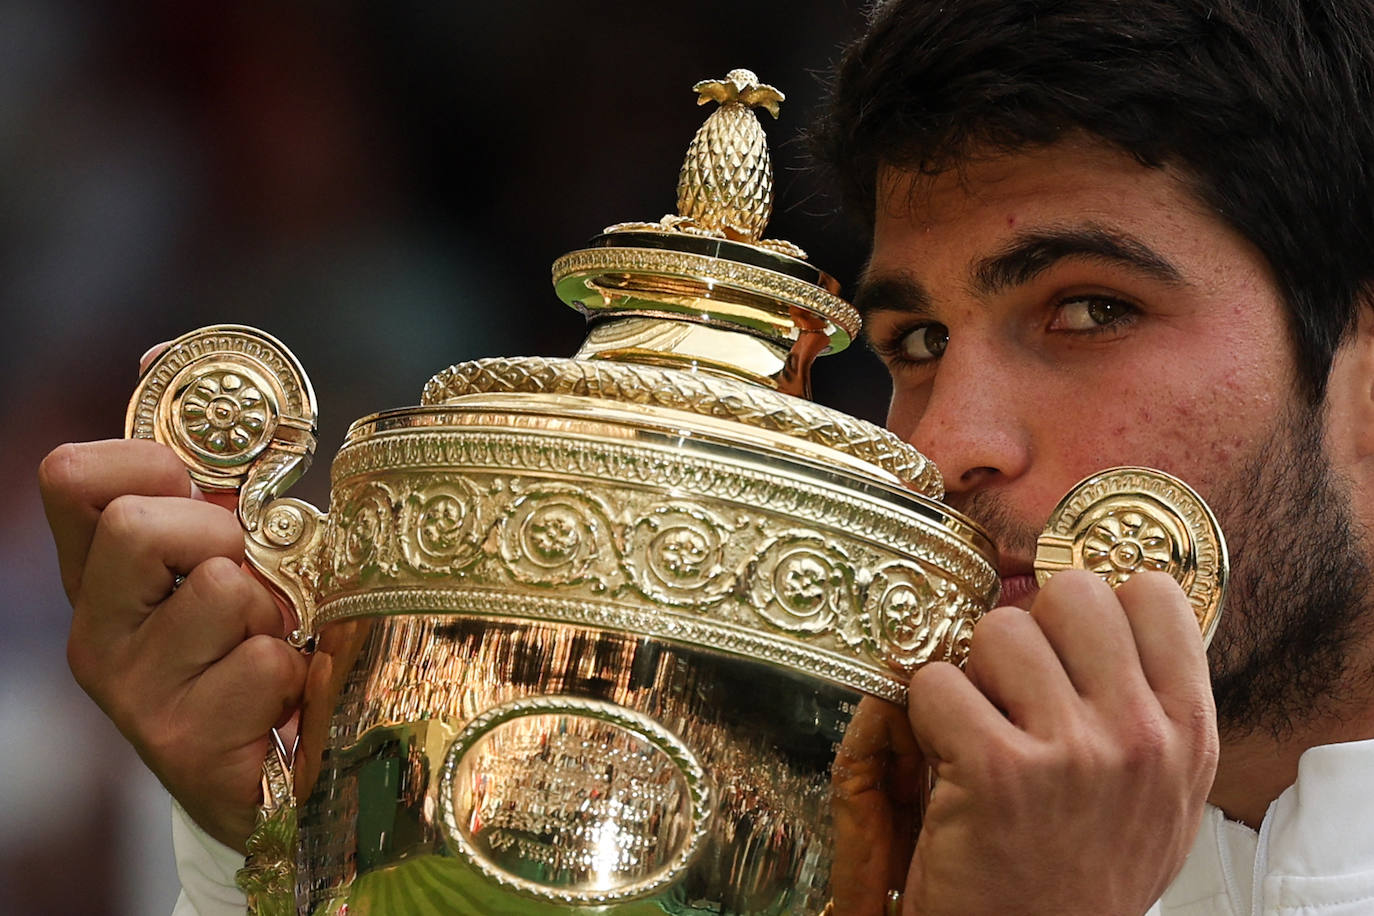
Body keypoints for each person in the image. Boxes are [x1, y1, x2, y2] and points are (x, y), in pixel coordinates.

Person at [37, 0, 1374, 913]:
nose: (945, 443)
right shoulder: (815, 832)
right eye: (912, 339)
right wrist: (290, 840)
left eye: (1087, 310)